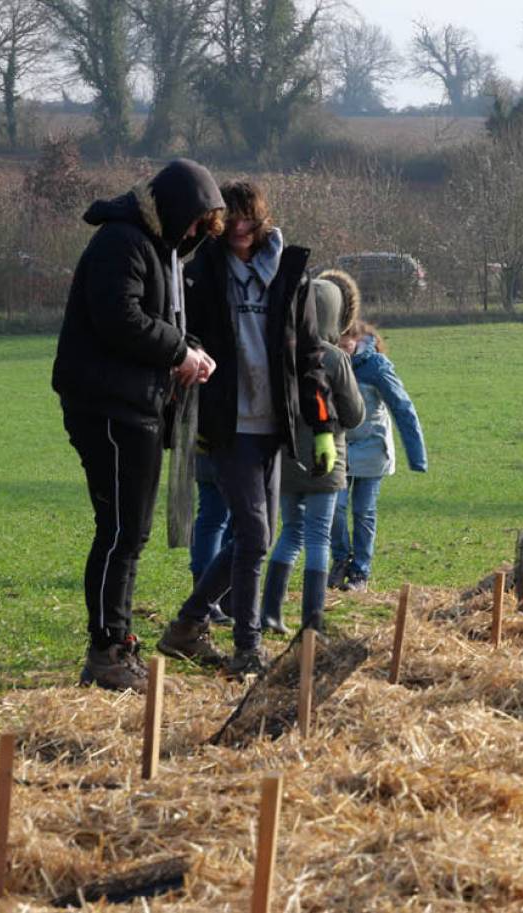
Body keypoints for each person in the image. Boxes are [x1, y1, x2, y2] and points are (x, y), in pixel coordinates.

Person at [53, 159, 225, 693]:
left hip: (135, 405)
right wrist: (180, 352)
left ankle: (118, 644)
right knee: (121, 532)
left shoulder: (158, 250)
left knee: (131, 532)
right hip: (107, 406)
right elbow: (120, 318)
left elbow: (158, 319)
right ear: (177, 211)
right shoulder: (121, 242)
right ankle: (107, 649)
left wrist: (188, 347)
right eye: (197, 223)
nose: (197, 235)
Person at [158, 180, 337, 679]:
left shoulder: (290, 275)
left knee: (256, 537)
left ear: (261, 221)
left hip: (271, 426)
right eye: (229, 218)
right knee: (255, 535)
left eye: (247, 218)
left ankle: (187, 625)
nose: (238, 227)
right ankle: (246, 648)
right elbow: (181, 341)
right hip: (226, 424)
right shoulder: (199, 274)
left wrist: (320, 426)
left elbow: (310, 355)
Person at [259, 272, 366, 634]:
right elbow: (353, 414)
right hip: (327, 460)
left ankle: (270, 613)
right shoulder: (334, 358)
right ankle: (312, 621)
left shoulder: (281, 353)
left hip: (287, 459)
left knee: (290, 533)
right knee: (319, 537)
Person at [332, 318, 428, 593]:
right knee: (334, 510)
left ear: (356, 338)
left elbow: (402, 407)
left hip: (372, 450)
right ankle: (340, 561)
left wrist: (416, 455)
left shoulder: (375, 367)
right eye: (335, 343)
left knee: (363, 512)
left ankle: (360, 573)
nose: (340, 347)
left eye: (344, 342)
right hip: (339, 450)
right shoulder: (329, 362)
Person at [189, 453, 233, 625]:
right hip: (221, 447)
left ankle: (222, 595)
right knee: (214, 517)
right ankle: (208, 597)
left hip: (211, 446)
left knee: (221, 518)